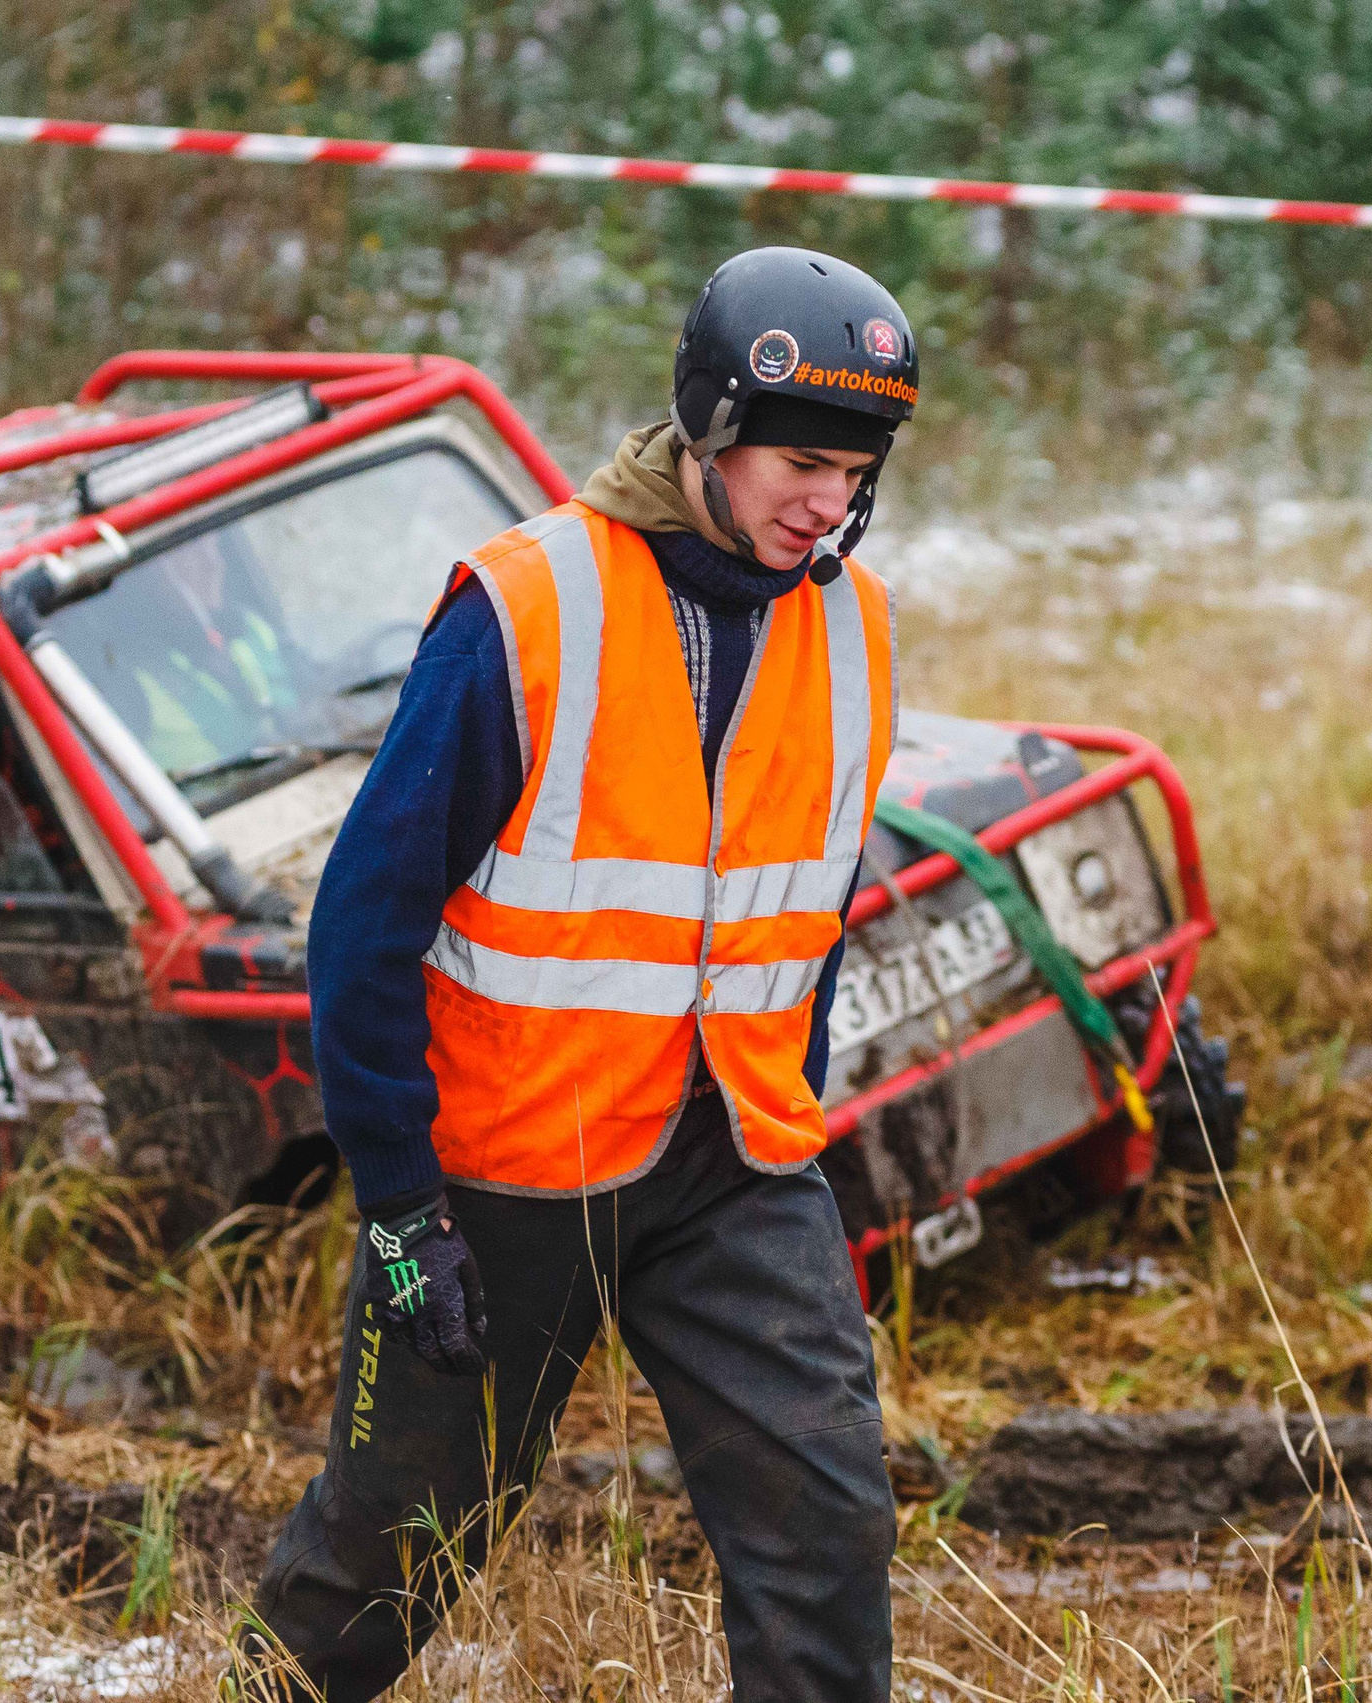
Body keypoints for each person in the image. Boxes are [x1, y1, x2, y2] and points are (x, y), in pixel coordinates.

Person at [251, 247, 920, 1702]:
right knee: (402, 1543)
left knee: (827, 1529)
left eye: (857, 470)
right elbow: (363, 923)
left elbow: (797, 912)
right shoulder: (527, 604)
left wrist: (776, 1109)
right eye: (803, 460)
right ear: (712, 429)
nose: (830, 501)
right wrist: (403, 1208)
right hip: (503, 1177)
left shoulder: (855, 626)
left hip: (733, 1159)